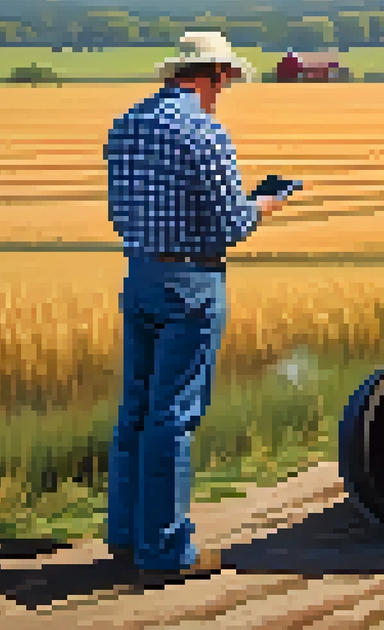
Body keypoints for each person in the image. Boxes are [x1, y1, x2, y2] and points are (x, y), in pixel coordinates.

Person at [102, 30, 285, 579]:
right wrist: (267, 204)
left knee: (134, 410)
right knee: (173, 415)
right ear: (214, 75)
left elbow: (118, 210)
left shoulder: (127, 123)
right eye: (226, 78)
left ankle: (125, 537)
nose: (225, 88)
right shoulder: (205, 133)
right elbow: (231, 224)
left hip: (140, 275)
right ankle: (166, 551)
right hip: (193, 281)